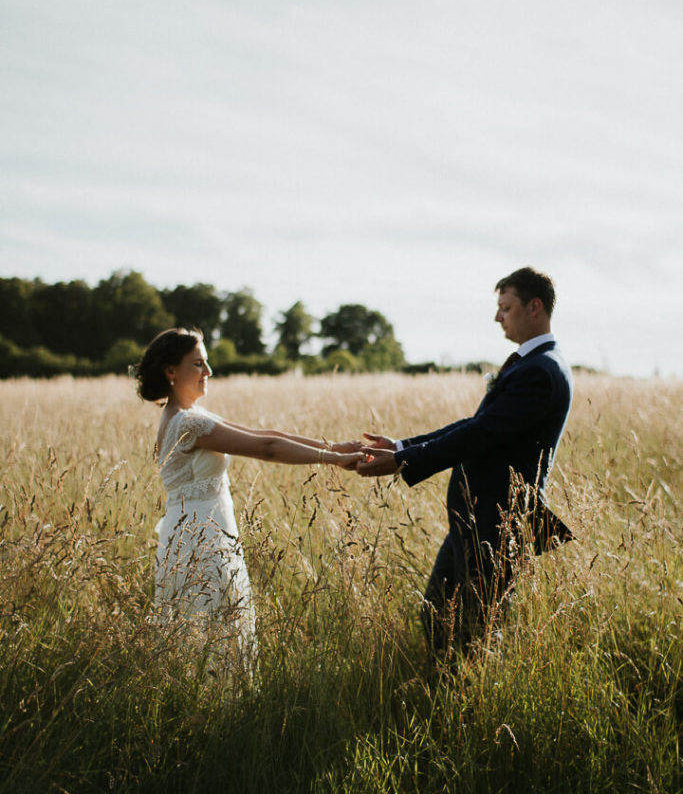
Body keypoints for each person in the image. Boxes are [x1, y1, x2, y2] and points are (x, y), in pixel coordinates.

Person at [356, 267, 573, 657]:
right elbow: (478, 425)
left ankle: (471, 705)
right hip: (477, 520)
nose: (498, 317)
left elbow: (480, 434)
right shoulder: (535, 364)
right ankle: (450, 692)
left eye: (505, 308)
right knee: (440, 613)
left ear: (534, 306)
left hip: (497, 520)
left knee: (476, 627)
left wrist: (403, 461)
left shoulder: (541, 370)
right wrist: (403, 445)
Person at [134, 328, 363, 655]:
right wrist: (334, 459)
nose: (208, 372)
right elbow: (266, 448)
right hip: (199, 541)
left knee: (216, 627)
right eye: (198, 364)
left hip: (208, 533)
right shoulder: (187, 424)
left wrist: (332, 446)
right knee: (208, 631)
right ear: (171, 371)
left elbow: (263, 433)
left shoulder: (191, 417)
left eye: (207, 363)